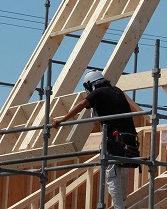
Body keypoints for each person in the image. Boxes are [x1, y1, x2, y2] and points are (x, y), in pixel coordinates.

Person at [52, 70, 139, 209]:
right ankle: (123, 205)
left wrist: (62, 120)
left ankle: (119, 207)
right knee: (123, 170)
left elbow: (82, 104)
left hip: (115, 139)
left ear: (90, 84)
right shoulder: (117, 90)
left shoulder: (98, 93)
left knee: (113, 175)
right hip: (129, 138)